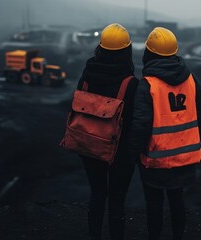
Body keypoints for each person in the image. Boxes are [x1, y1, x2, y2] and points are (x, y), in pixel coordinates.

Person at [128, 27, 201, 240]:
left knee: (154, 205)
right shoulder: (190, 78)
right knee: (177, 201)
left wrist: (131, 154)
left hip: (155, 160)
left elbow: (141, 124)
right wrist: (193, 137)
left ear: (149, 52)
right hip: (185, 158)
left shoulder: (149, 84)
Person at [76, 23, 138, 240]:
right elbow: (134, 123)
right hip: (119, 154)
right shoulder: (131, 84)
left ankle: (94, 235)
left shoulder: (85, 77)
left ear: (99, 48)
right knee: (117, 199)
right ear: (127, 51)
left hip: (90, 147)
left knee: (97, 194)